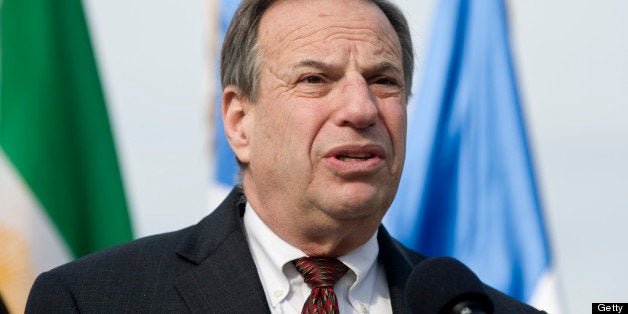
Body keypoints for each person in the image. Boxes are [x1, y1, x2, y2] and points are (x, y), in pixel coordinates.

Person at [26, 0, 545, 313]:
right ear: (239, 122)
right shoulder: (93, 304)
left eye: (384, 81)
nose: (361, 108)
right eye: (315, 79)